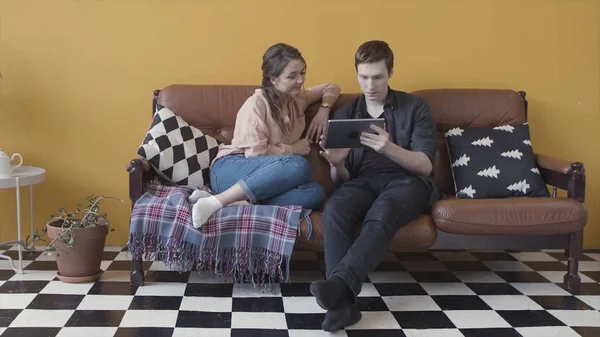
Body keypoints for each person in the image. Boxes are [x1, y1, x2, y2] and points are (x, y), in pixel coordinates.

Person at [311, 40, 440, 331]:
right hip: (362, 181)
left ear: (391, 73)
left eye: (378, 77)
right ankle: (344, 306)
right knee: (336, 208)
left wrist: (389, 148)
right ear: (356, 73)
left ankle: (339, 286)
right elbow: (341, 181)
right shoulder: (347, 112)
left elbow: (425, 165)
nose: (370, 85)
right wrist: (336, 163)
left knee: (383, 211)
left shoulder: (415, 107)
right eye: (364, 77)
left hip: (407, 181)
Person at [190, 43, 341, 228]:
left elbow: (332, 87)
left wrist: (323, 110)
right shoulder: (256, 104)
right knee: (299, 164)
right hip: (231, 168)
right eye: (292, 76)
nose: (300, 80)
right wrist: (293, 149)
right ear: (273, 80)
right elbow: (255, 154)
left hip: (259, 181)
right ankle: (217, 201)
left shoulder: (298, 98)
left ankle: (227, 201)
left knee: (315, 193)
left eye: (302, 73)